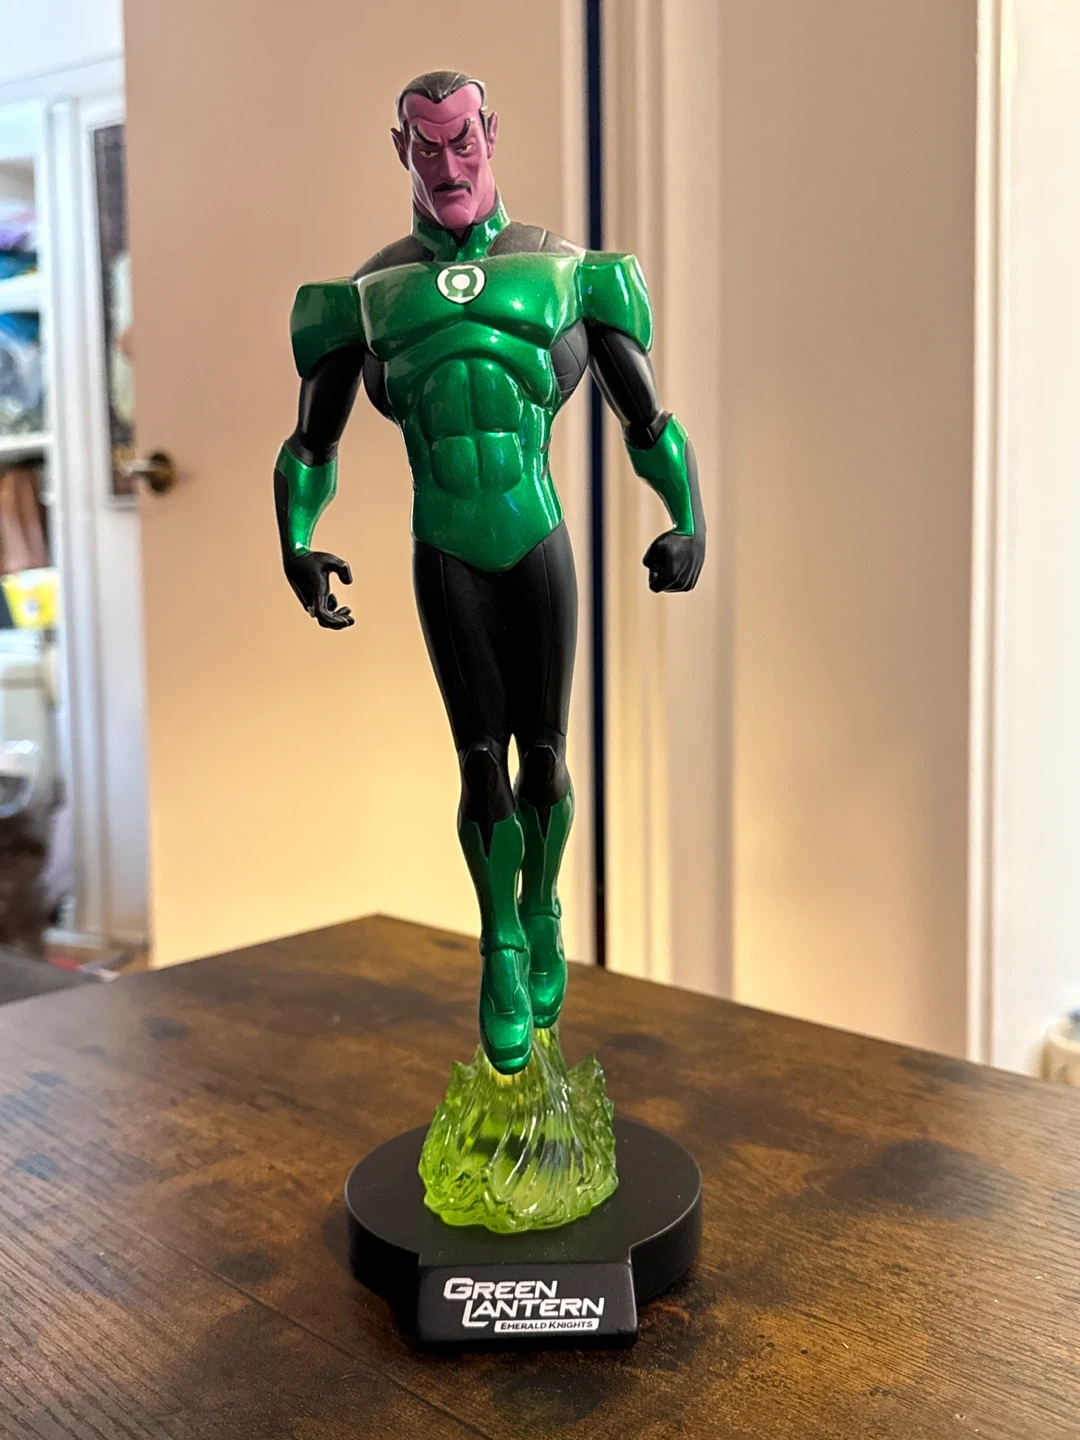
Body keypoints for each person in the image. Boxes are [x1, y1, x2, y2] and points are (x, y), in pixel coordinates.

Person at [274, 71, 705, 1073]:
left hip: (535, 537)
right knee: (479, 761)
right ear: (402, 150)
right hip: (445, 548)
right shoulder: (368, 297)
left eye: (463, 139)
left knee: (544, 757)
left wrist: (687, 519)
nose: (449, 163)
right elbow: (312, 441)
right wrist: (295, 541)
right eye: (427, 145)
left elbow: (645, 415)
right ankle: (501, 943)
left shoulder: (566, 272)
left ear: (491, 134)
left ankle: (540, 905)